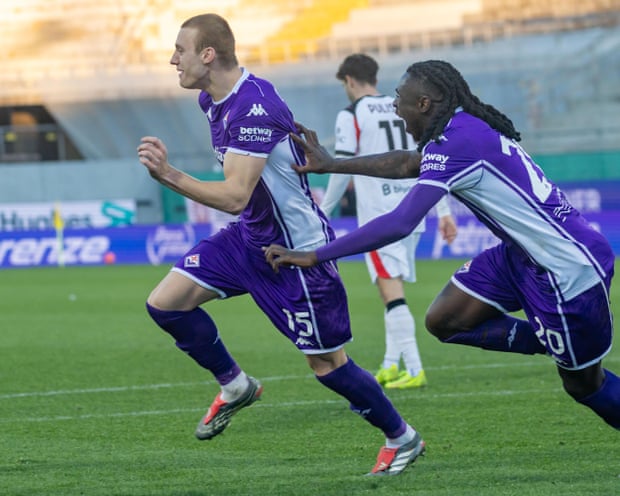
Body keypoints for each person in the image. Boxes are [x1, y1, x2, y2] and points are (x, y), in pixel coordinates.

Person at [136, 13, 426, 476]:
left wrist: (169, 175)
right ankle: (235, 386)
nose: (173, 60)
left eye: (180, 50)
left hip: (294, 253)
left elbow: (234, 196)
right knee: (166, 304)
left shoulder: (252, 106)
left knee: (327, 364)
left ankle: (402, 437)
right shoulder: (213, 100)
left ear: (207, 55)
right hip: (250, 239)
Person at [264, 60, 620, 431]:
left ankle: (564, 341)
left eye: (399, 98)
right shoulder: (461, 127)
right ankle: (551, 339)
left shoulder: (456, 141)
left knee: (583, 384)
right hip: (522, 255)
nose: (394, 106)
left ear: (423, 104)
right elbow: (407, 164)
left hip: (566, 267)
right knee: (445, 320)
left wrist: (316, 254)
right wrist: (333, 165)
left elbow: (400, 222)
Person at [321, 54, 458, 389]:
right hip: (413, 207)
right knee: (391, 287)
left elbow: (340, 166)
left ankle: (414, 369)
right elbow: (430, 158)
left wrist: (323, 211)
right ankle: (390, 364)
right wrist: (443, 211)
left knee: (391, 291)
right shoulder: (402, 105)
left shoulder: (352, 113)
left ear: (349, 81)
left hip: (380, 216)